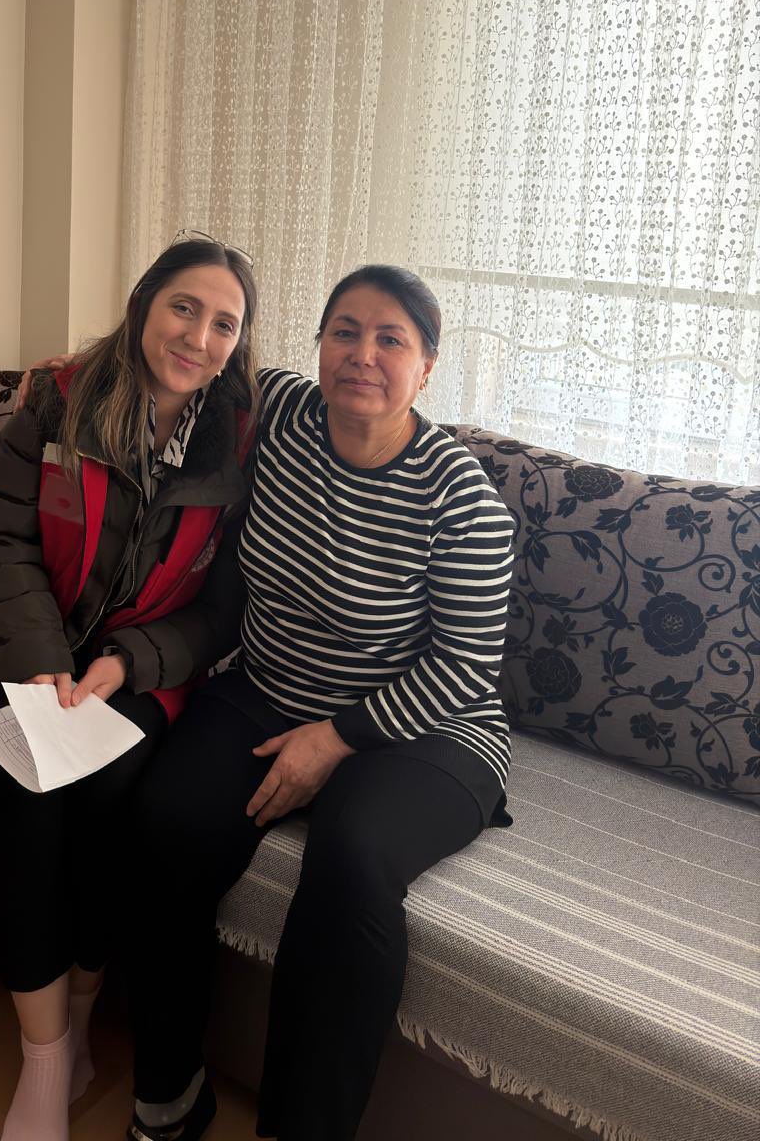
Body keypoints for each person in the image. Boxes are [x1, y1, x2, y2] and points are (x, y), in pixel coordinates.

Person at [74, 264, 515, 1141]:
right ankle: (170, 1096)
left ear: (427, 366)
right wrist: (71, 376)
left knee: (352, 859)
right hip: (270, 688)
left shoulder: (461, 499)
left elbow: (465, 665)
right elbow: (183, 360)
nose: (362, 354)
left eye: (391, 339)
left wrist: (338, 738)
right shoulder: (278, 411)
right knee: (164, 822)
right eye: (344, 331)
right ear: (317, 346)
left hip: (426, 730)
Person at [0, 234, 259, 1141]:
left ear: (238, 344)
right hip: (7, 637)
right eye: (184, 308)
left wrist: (130, 661)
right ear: (143, 306)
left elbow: (222, 609)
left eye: (224, 324)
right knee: (23, 787)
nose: (199, 337)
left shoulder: (239, 436)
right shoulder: (61, 398)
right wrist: (39, 655)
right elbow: (2, 538)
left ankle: (85, 1027)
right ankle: (44, 1063)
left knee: (114, 792)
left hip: (139, 661)